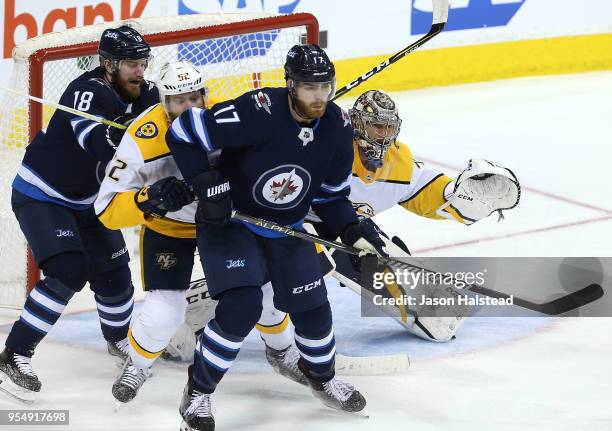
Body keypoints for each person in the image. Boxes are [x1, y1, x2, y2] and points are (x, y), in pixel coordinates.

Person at [166, 44, 386, 430]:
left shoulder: (337, 127)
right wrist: (206, 182)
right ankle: (198, 393)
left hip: (286, 227)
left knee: (314, 306)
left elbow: (331, 197)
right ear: (290, 85)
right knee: (242, 306)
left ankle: (323, 379)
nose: (319, 96)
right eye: (309, 88)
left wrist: (353, 231)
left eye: (325, 87)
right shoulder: (256, 110)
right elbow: (182, 131)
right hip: (230, 221)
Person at [0, 25, 159, 403]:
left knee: (116, 273)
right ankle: (15, 353)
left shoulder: (147, 93)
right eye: (132, 65)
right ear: (108, 64)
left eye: (142, 63)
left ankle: (118, 340)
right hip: (43, 195)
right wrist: (137, 148)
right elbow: (97, 145)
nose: (140, 71)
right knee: (68, 271)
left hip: (88, 201)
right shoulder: (88, 91)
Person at [94, 61, 206, 403]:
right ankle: (139, 364)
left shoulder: (223, 122)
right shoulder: (141, 138)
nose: (188, 108)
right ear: (163, 102)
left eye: (194, 98)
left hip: (218, 225)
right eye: (178, 101)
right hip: (168, 229)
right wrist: (148, 199)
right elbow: (106, 209)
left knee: (262, 295)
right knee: (164, 311)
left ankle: (284, 353)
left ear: (205, 95)